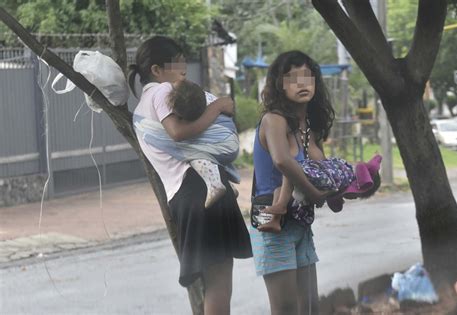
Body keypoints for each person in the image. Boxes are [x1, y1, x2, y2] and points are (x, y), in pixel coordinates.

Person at [130, 35, 252, 315]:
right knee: (220, 284)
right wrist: (218, 107)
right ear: (157, 70)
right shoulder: (162, 92)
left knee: (213, 283)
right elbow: (179, 132)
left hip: (186, 198)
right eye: (176, 62)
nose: (183, 67)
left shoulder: (140, 111)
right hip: (203, 190)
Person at [250, 50, 335, 315]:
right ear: (279, 84)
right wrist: (315, 193)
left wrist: (348, 187)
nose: (301, 84)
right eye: (292, 78)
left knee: (309, 307)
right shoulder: (272, 119)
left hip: (300, 222)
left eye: (307, 77)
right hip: (268, 219)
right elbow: (282, 161)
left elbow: (323, 171)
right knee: (286, 310)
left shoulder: (309, 128)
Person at [136, 78, 240, 208]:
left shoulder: (194, 115)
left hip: (223, 145)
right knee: (208, 152)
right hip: (231, 144)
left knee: (194, 155)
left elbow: (178, 134)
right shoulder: (208, 99)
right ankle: (229, 184)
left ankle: (215, 184)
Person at [259, 154, 383, 233]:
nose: (353, 197)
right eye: (357, 195)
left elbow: (335, 203)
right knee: (290, 170)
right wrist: (318, 195)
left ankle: (275, 220)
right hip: (318, 175)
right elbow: (330, 190)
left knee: (280, 188)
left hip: (316, 175)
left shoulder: (346, 175)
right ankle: (280, 206)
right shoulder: (347, 175)